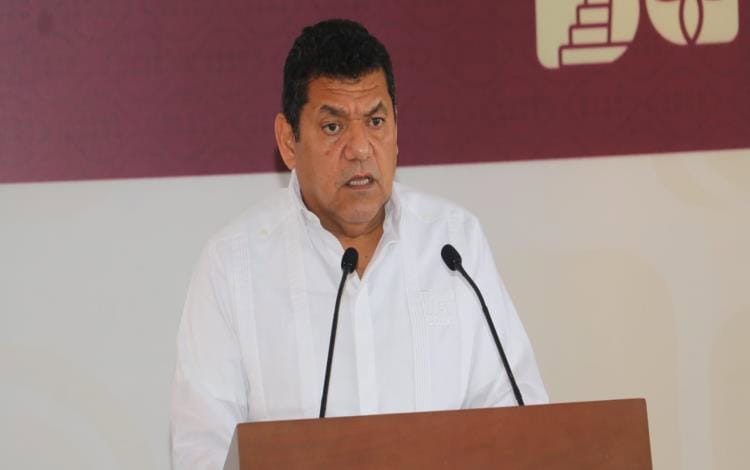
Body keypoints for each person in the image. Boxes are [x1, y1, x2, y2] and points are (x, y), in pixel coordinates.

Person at [170, 18, 547, 469]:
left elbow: (517, 412)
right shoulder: (233, 266)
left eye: (375, 121)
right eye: (333, 127)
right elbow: (203, 451)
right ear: (288, 141)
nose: (361, 148)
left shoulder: (454, 244)